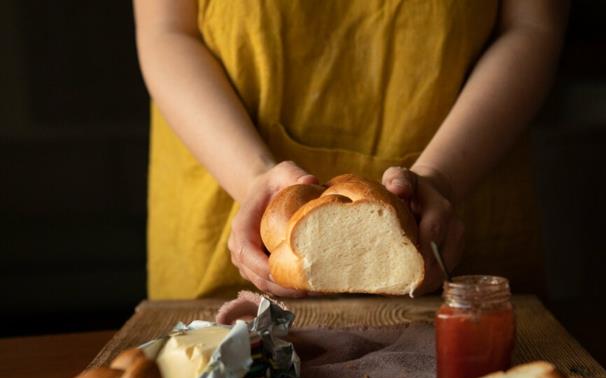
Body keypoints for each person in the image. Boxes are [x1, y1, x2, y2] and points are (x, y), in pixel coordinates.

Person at [133, 0, 569, 299]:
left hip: (463, 191)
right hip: (228, 185)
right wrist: (252, 179)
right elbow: (167, 30)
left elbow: (533, 24)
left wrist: (442, 179)